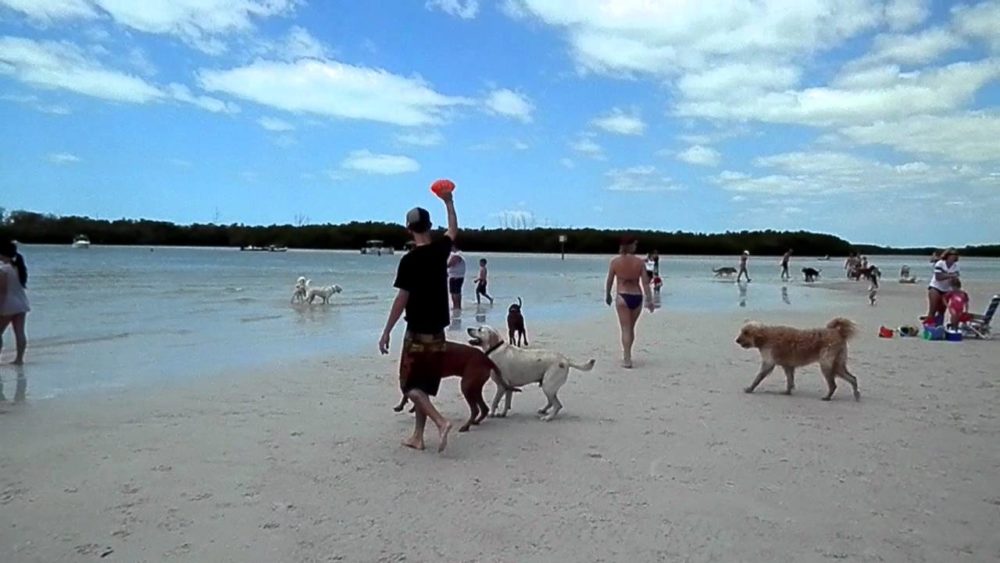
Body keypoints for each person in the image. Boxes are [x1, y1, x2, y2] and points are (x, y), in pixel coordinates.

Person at [378, 191, 458, 452]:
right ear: (430, 226)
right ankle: (417, 436)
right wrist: (449, 202)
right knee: (422, 387)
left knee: (410, 386)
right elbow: (453, 230)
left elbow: (402, 298)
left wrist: (387, 331)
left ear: (408, 229)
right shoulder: (440, 250)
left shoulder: (409, 261)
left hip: (416, 333)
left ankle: (440, 421)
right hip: (438, 333)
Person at [605, 236, 654, 368]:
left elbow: (610, 280)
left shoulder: (615, 262)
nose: (636, 247)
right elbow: (645, 283)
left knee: (625, 328)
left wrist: (608, 294)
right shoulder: (639, 263)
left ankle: (627, 357)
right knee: (631, 328)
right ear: (631, 246)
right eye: (635, 245)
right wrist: (649, 299)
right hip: (637, 296)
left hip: (623, 296)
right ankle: (628, 354)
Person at [0, 239, 30, 365]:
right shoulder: (18, 267)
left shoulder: (3, 270)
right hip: (21, 303)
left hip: (8, 304)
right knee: (20, 332)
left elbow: (2, 291)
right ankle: (19, 359)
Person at [926, 248, 960, 323]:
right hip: (935, 287)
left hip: (947, 289)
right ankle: (929, 326)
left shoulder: (955, 266)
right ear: (947, 255)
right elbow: (938, 277)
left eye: (955, 255)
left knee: (942, 310)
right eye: (952, 255)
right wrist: (951, 275)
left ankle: (939, 326)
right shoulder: (940, 263)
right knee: (933, 309)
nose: (954, 257)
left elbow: (955, 279)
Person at [447, 244, 465, 311]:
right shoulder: (458, 254)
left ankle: (456, 307)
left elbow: (450, 264)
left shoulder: (457, 255)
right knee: (456, 292)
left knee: (455, 292)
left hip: (456, 277)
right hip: (457, 276)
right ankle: (457, 306)